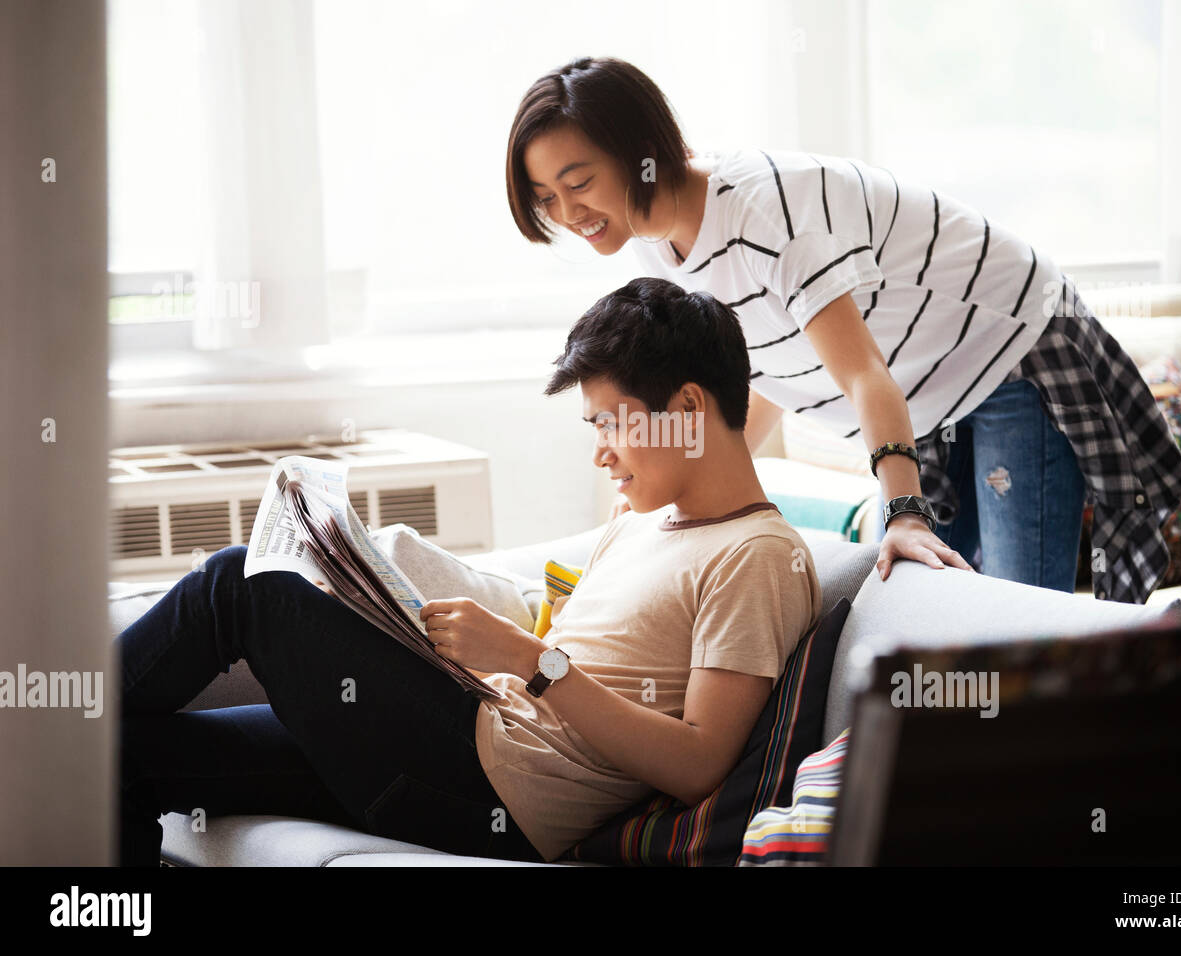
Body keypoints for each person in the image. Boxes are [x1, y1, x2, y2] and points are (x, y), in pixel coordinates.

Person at [116, 277, 820, 865]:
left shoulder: (758, 558)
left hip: (492, 789)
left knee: (241, 585)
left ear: (690, 409)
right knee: (130, 756)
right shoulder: (641, 520)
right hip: (464, 733)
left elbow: (700, 762)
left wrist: (530, 660)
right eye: (594, 427)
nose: (601, 452)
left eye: (613, 422)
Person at [505, 56, 1181, 603]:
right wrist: (685, 502)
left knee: (1014, 615)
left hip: (1006, 345)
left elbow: (862, 373)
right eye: (546, 199)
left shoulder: (763, 212)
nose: (568, 212)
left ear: (638, 149)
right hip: (923, 393)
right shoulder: (659, 245)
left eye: (579, 182)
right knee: (933, 604)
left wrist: (901, 512)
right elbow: (761, 379)